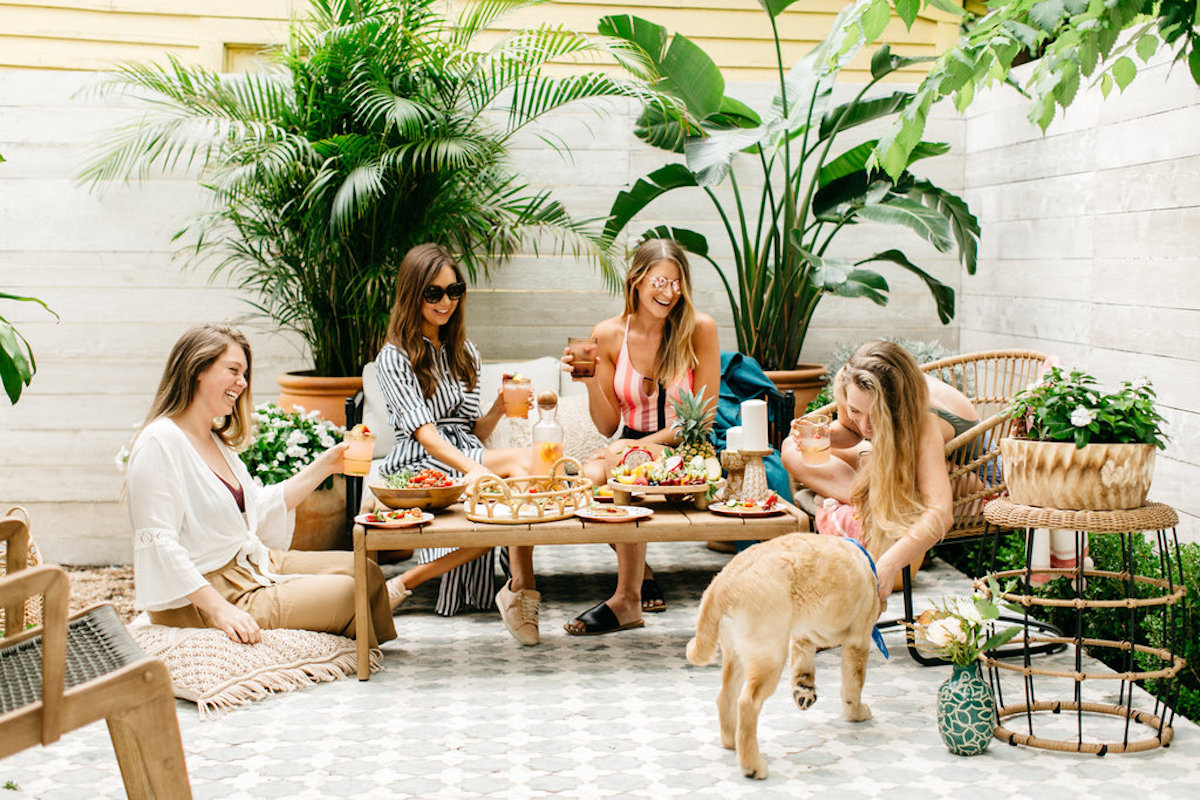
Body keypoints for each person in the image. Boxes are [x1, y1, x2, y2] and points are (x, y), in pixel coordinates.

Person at [125, 324, 396, 647]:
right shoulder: (160, 442)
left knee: (366, 571)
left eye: (245, 374)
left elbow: (258, 506)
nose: (242, 383)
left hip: (251, 563)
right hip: (205, 595)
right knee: (350, 592)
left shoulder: (214, 440)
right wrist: (221, 610)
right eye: (233, 370)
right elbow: (159, 544)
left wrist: (328, 464)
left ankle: (366, 650)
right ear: (197, 369)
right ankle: (354, 646)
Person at [374, 242, 541, 645]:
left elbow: (471, 433)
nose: (445, 301)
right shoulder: (394, 357)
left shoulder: (465, 351)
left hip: (463, 451)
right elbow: (426, 435)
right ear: (413, 294)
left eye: (454, 291)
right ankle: (521, 592)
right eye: (433, 293)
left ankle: (410, 583)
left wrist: (499, 409)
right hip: (420, 459)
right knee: (518, 473)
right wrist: (478, 470)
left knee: (523, 474)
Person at [562, 238, 720, 635]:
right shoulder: (608, 334)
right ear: (636, 279)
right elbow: (606, 423)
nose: (669, 293)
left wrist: (638, 447)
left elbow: (704, 413)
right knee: (582, 482)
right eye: (660, 281)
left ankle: (627, 597)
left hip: (685, 445)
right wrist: (586, 382)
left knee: (619, 472)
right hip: (627, 443)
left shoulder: (699, 328)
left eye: (677, 283)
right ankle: (637, 574)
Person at [780, 340, 978, 603]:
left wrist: (887, 565)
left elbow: (941, 514)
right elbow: (852, 433)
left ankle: (871, 497)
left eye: (877, 416)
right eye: (856, 411)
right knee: (792, 448)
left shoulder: (922, 421)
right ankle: (873, 499)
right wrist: (822, 435)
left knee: (886, 468)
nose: (865, 425)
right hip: (888, 456)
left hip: (957, 467)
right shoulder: (849, 380)